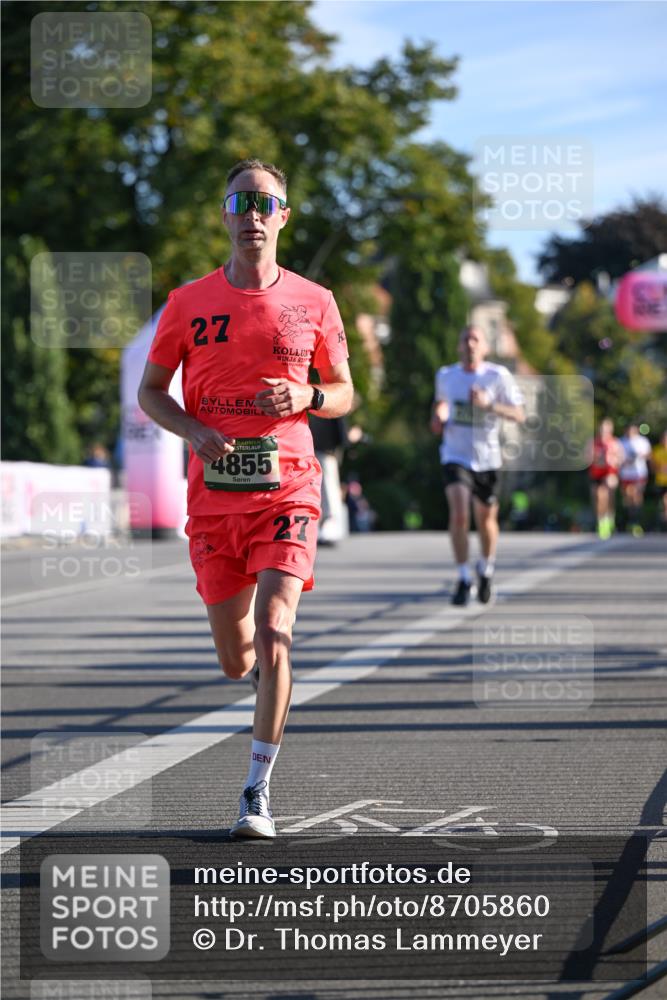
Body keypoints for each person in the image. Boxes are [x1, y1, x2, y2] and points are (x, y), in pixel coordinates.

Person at [138, 159, 353, 839]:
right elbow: (150, 392)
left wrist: (309, 396)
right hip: (213, 504)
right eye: (240, 201)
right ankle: (263, 679)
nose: (252, 214)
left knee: (274, 630)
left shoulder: (315, 300)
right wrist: (192, 428)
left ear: (283, 216)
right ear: (224, 215)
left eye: (265, 202)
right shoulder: (187, 302)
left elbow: (345, 390)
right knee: (237, 656)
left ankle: (256, 791)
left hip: (288, 486)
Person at [431, 325, 525, 606]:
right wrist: (438, 416)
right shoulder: (446, 376)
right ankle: (463, 577)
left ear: (484, 347)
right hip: (455, 455)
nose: (470, 344)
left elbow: (519, 414)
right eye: (465, 339)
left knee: (486, 520)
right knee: (459, 513)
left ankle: (486, 568)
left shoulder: (498, 376)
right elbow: (439, 409)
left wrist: (489, 405)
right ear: (459, 346)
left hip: (487, 458)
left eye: (476, 339)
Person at [588, 418, 623, 539]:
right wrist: (594, 457)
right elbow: (586, 457)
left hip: (609, 473)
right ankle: (601, 521)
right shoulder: (593, 442)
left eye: (607, 429)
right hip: (596, 474)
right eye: (602, 429)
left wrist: (614, 460)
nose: (604, 431)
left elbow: (620, 458)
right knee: (598, 498)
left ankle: (609, 520)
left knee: (607, 496)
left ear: (611, 430)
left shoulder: (614, 442)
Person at [618, 423, 651, 536]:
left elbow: (648, 455)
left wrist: (641, 455)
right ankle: (630, 519)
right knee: (628, 497)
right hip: (626, 474)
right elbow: (617, 456)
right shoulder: (621, 441)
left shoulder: (642, 441)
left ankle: (636, 521)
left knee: (637, 496)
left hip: (639, 473)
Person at [650, 429, 667, 531]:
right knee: (662, 504)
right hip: (660, 481)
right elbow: (652, 467)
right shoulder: (656, 450)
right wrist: (659, 468)